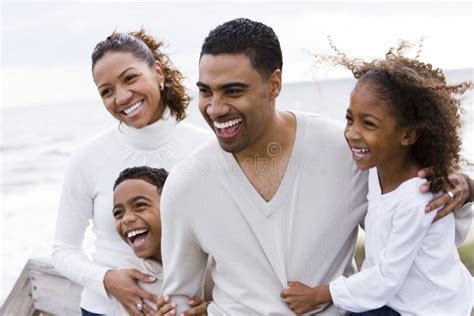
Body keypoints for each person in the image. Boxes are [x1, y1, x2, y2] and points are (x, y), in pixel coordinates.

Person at [159, 18, 473, 315]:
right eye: (205, 91)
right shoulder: (186, 183)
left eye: (233, 90)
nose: (215, 108)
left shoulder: (346, 150)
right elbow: (181, 300)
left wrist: (461, 186)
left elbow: (420, 235)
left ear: (275, 84)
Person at [280, 41, 473, 315]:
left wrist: (319, 294)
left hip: (429, 308)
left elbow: (385, 278)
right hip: (398, 300)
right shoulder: (376, 171)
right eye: (349, 119)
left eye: (369, 124)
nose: (352, 133)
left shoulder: (417, 198)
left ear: (407, 135)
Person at [52, 30, 210, 315]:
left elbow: (229, 244)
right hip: (104, 310)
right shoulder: (87, 157)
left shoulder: (206, 149)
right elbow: (63, 250)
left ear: (158, 72)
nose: (122, 97)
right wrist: (106, 280)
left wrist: (214, 305)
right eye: (107, 91)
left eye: (130, 78)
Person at [112, 166, 211, 315]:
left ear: (171, 206)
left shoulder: (212, 256)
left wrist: (214, 311)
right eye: (118, 213)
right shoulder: (129, 281)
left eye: (140, 205)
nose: (126, 219)